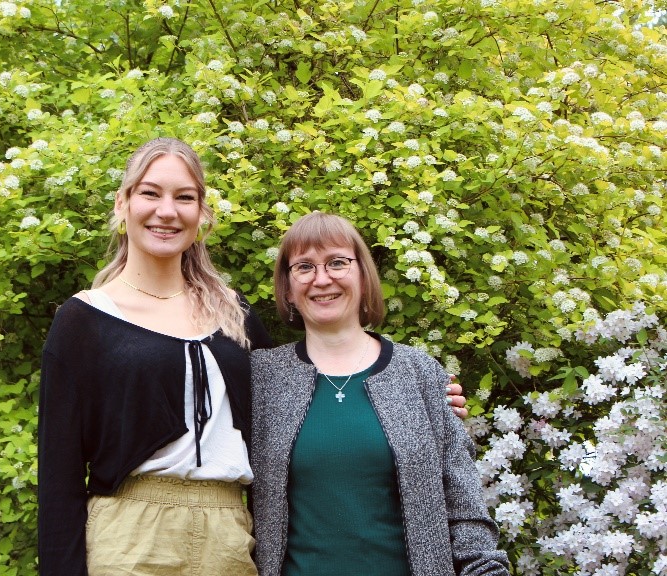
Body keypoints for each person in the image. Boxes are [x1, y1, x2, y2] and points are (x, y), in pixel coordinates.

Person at [37, 137, 272, 576]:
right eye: (150, 192)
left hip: (230, 539)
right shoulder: (84, 319)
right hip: (128, 540)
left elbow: (289, 422)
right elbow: (58, 473)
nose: (167, 211)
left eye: (185, 197)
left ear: (201, 214)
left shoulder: (235, 316)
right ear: (122, 204)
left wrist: (431, 402)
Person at [250, 212, 509, 576]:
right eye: (304, 267)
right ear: (288, 288)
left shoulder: (420, 374)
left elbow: (464, 508)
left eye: (337, 263)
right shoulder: (262, 379)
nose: (322, 279)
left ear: (362, 274)